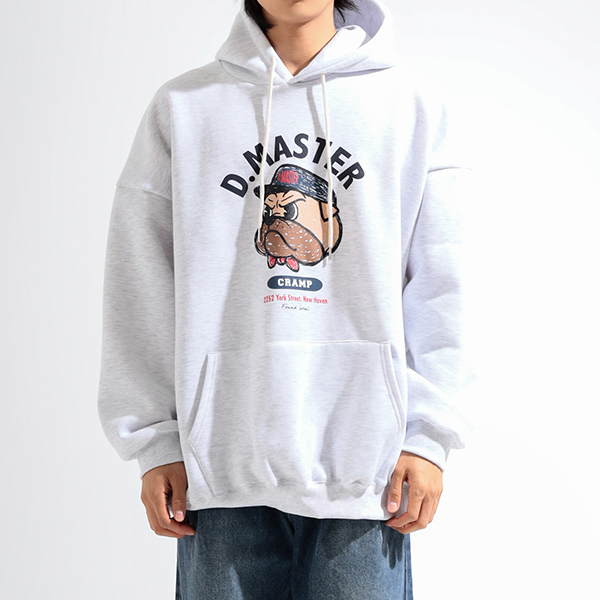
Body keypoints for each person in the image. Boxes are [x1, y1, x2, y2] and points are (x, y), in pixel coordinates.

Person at [97, 0, 476, 597]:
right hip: (220, 467)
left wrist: (428, 437)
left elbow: (444, 284)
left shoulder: (411, 106)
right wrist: (156, 440)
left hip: (368, 471)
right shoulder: (184, 107)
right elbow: (140, 281)